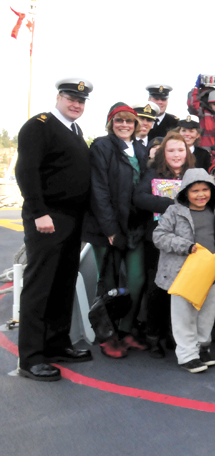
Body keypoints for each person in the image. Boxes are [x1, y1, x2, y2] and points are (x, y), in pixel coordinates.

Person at [15, 78, 94, 381]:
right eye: (71, 98)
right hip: (48, 218)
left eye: (81, 101)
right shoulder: (40, 125)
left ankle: (57, 343)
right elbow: (26, 170)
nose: (76, 104)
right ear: (59, 97)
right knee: (39, 286)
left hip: (72, 219)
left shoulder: (73, 130)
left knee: (62, 284)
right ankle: (31, 358)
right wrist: (39, 213)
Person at [83, 102, 147, 358]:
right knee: (108, 281)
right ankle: (107, 336)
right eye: (119, 121)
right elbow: (98, 190)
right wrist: (110, 230)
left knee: (136, 278)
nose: (124, 125)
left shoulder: (141, 150)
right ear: (111, 123)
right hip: (105, 227)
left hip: (134, 226)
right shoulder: (101, 146)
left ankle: (126, 329)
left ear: (135, 125)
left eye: (129, 121)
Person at [153, 169, 215, 373]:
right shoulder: (174, 211)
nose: (201, 194)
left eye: (205, 189)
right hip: (183, 274)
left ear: (212, 191)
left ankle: (202, 348)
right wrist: (186, 246)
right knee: (183, 316)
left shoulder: (214, 212)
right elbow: (159, 236)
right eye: (195, 190)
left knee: (207, 314)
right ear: (185, 193)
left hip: (209, 273)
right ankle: (187, 355)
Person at [133, 132, 194, 358]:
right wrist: (171, 203)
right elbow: (139, 198)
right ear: (163, 154)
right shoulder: (152, 174)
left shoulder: (193, 175)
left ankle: (173, 334)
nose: (176, 155)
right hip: (157, 241)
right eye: (171, 150)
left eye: (180, 150)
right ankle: (153, 337)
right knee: (156, 289)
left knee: (180, 290)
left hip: (187, 241)